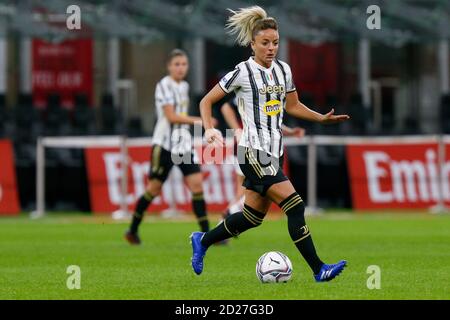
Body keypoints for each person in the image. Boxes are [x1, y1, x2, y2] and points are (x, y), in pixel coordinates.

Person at [190, 6, 350, 282]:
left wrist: (320, 119)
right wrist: (208, 130)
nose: (271, 48)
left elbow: (294, 105)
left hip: (273, 153)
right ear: (252, 44)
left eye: (275, 42)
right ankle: (318, 268)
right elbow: (206, 100)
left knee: (252, 217)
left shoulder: (283, 70)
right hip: (252, 152)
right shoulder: (242, 72)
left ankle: (203, 240)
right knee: (295, 206)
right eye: (265, 43)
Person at [125, 49, 214, 245]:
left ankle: (208, 236)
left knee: (197, 184)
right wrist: (199, 121)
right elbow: (171, 117)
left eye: (184, 64)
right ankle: (132, 229)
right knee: (154, 189)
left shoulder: (184, 86)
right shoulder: (164, 85)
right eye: (177, 64)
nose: (181, 68)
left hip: (182, 144)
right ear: (169, 67)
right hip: (164, 145)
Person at [220, 96, 305, 218]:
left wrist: (290, 132)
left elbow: (270, 123)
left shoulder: (267, 96)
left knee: (242, 192)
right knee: (255, 190)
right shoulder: (252, 91)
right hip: (249, 149)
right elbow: (226, 107)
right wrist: (237, 131)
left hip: (260, 150)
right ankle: (229, 214)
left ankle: (222, 225)